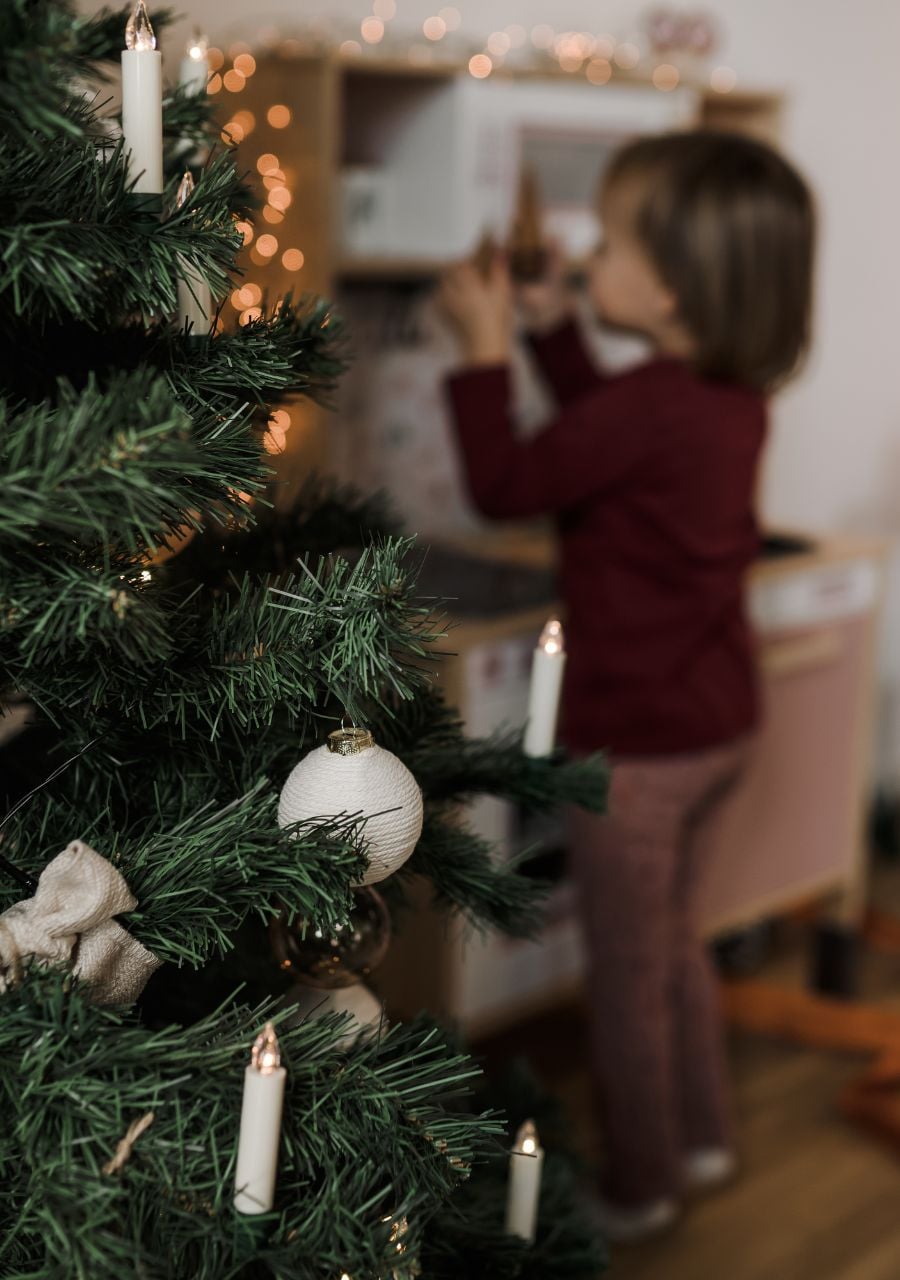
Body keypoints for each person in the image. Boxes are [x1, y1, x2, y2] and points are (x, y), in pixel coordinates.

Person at [439, 130, 815, 1242]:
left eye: (605, 243)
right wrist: (555, 328)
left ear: (668, 287)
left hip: (640, 750)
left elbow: (511, 481)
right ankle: (700, 1132)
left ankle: (642, 1181)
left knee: (625, 977)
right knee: (675, 945)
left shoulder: (653, 403)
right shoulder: (717, 393)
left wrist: (483, 346)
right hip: (717, 723)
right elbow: (608, 439)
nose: (584, 255)